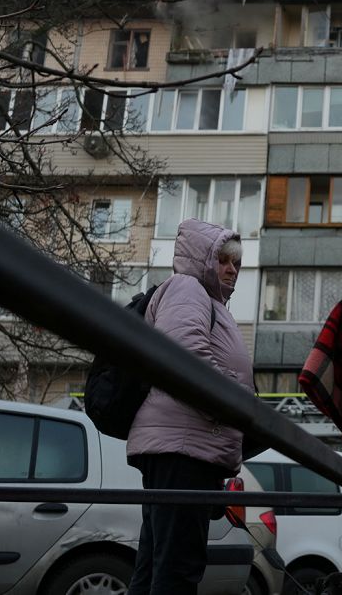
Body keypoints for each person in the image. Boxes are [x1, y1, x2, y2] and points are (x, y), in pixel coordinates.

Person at [126, 219, 253, 595]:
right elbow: (184, 358)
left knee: (156, 571)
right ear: (202, 259)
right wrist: (237, 405)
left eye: (237, 264)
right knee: (176, 573)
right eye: (223, 261)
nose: (231, 270)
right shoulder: (187, 288)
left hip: (185, 449)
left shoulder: (208, 301)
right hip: (182, 451)